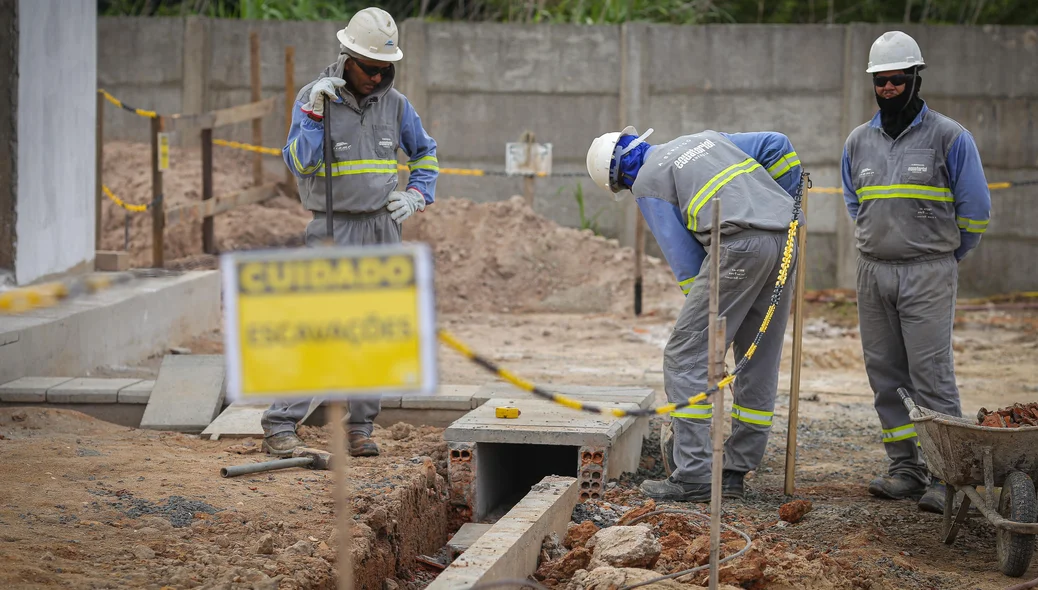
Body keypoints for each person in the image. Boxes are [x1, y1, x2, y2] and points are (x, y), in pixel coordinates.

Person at [585, 125, 802, 501]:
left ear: (619, 181)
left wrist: (705, 327)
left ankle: (696, 474)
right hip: (784, 240)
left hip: (736, 246)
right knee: (759, 356)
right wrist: (787, 204)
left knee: (685, 356)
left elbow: (687, 267)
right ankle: (733, 471)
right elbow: (777, 145)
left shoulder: (647, 185)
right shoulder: (705, 139)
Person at [261, 7, 440, 458]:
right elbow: (299, 163)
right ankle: (281, 423)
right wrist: (313, 117)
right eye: (371, 69)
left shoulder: (396, 105)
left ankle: (359, 427)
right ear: (348, 57)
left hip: (383, 228)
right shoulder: (314, 99)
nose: (378, 79)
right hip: (333, 228)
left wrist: (417, 194)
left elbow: (426, 153)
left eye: (386, 70)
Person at [841, 31, 990, 513]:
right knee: (885, 375)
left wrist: (943, 256)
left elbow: (975, 215)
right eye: (880, 81)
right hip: (873, 273)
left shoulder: (950, 137)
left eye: (897, 80)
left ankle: (949, 478)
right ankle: (905, 467)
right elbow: (854, 204)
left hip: (928, 273)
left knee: (931, 374)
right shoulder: (858, 142)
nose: (888, 88)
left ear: (914, 79)